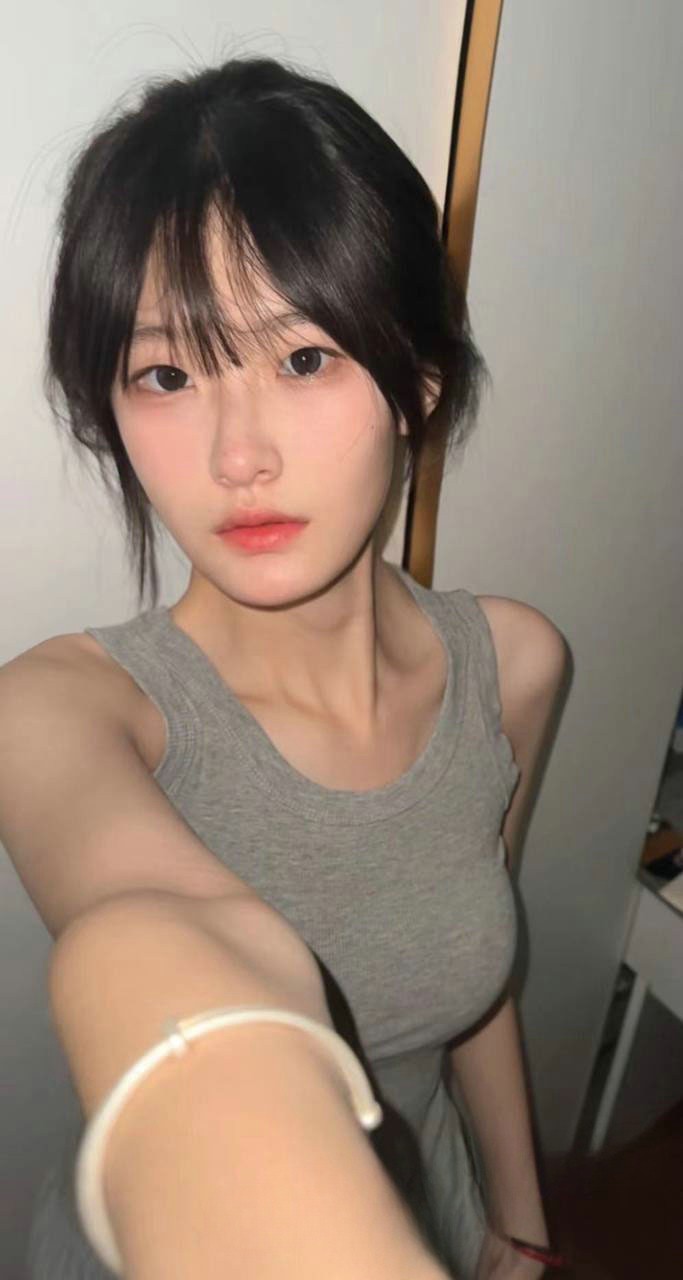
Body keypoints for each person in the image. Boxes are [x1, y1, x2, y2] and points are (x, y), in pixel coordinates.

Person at [0, 54, 568, 1279]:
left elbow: (474, 977)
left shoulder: (512, 664)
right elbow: (159, 936)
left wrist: (517, 1224)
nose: (236, 454)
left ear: (416, 380)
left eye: (302, 358)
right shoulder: (61, 712)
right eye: (166, 374)